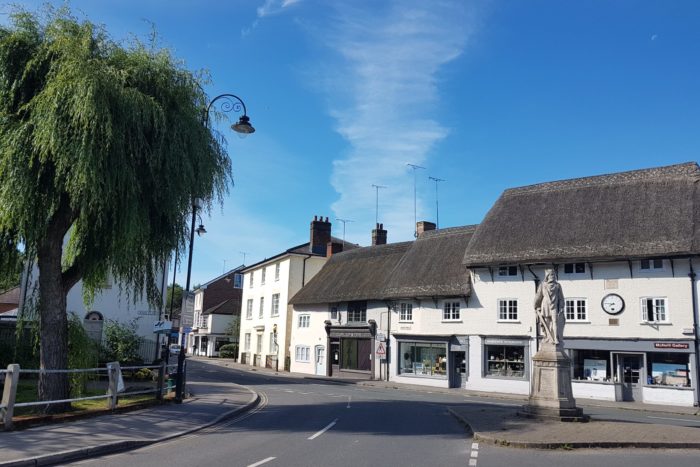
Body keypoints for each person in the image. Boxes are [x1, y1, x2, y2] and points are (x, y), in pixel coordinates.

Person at [534, 268, 565, 347]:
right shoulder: (543, 285)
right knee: (547, 323)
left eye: (554, 275)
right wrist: (536, 306)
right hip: (545, 306)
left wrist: (561, 306)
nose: (553, 276)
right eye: (551, 275)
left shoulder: (558, 285)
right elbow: (538, 297)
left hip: (554, 305)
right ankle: (548, 337)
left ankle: (555, 338)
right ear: (547, 276)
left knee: (555, 321)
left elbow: (561, 297)